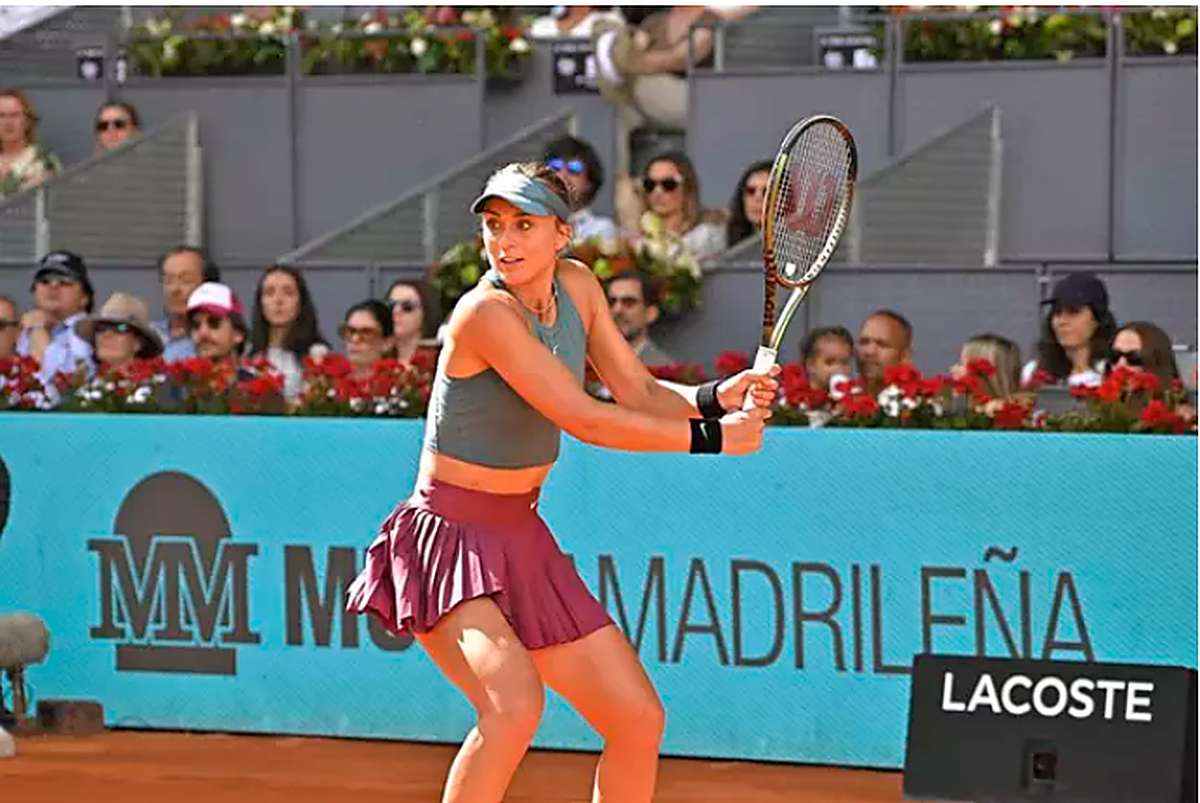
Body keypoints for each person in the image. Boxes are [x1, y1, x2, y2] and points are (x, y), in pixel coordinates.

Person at [346, 162, 777, 803]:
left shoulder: (577, 287)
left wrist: (713, 399)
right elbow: (583, 418)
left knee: (636, 717)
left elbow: (634, 389)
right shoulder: (483, 313)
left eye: (524, 224)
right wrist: (713, 439)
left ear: (562, 235)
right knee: (513, 708)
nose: (505, 240)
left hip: (521, 533)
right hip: (447, 539)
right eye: (495, 225)